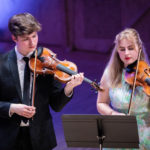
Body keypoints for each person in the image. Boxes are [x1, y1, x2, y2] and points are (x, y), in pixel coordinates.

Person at [0, 13, 84, 150]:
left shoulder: (47, 62)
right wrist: (12, 108)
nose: (33, 43)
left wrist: (69, 88)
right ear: (14, 38)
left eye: (34, 36)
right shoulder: (1, 64)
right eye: (26, 39)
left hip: (41, 139)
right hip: (8, 140)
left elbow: (56, 105)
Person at [97, 28, 150, 149]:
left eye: (130, 48)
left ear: (139, 48)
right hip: (118, 134)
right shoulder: (109, 74)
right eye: (122, 49)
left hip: (145, 136)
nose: (126, 53)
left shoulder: (148, 74)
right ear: (117, 51)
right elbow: (101, 103)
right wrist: (113, 113)